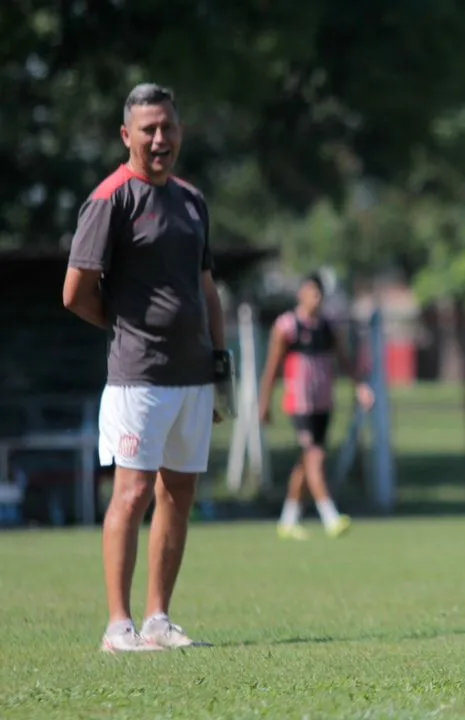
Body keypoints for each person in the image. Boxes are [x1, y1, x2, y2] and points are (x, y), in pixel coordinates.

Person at [63, 83, 227, 652]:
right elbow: (75, 292)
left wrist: (220, 363)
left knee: (178, 494)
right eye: (149, 129)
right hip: (139, 377)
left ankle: (158, 619)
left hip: (193, 377)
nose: (160, 138)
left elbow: (207, 287)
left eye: (168, 127)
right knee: (131, 494)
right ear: (126, 134)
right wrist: (125, 324)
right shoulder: (110, 198)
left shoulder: (191, 200)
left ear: (180, 130)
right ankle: (118, 625)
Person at [258, 273, 375, 540]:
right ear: (301, 294)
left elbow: (345, 360)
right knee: (315, 457)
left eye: (320, 294)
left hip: (323, 402)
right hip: (299, 403)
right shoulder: (287, 327)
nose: (316, 298)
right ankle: (330, 516)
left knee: (307, 461)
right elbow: (272, 368)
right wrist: (264, 403)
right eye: (312, 293)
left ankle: (287, 521)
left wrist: (360, 386)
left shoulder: (328, 326)